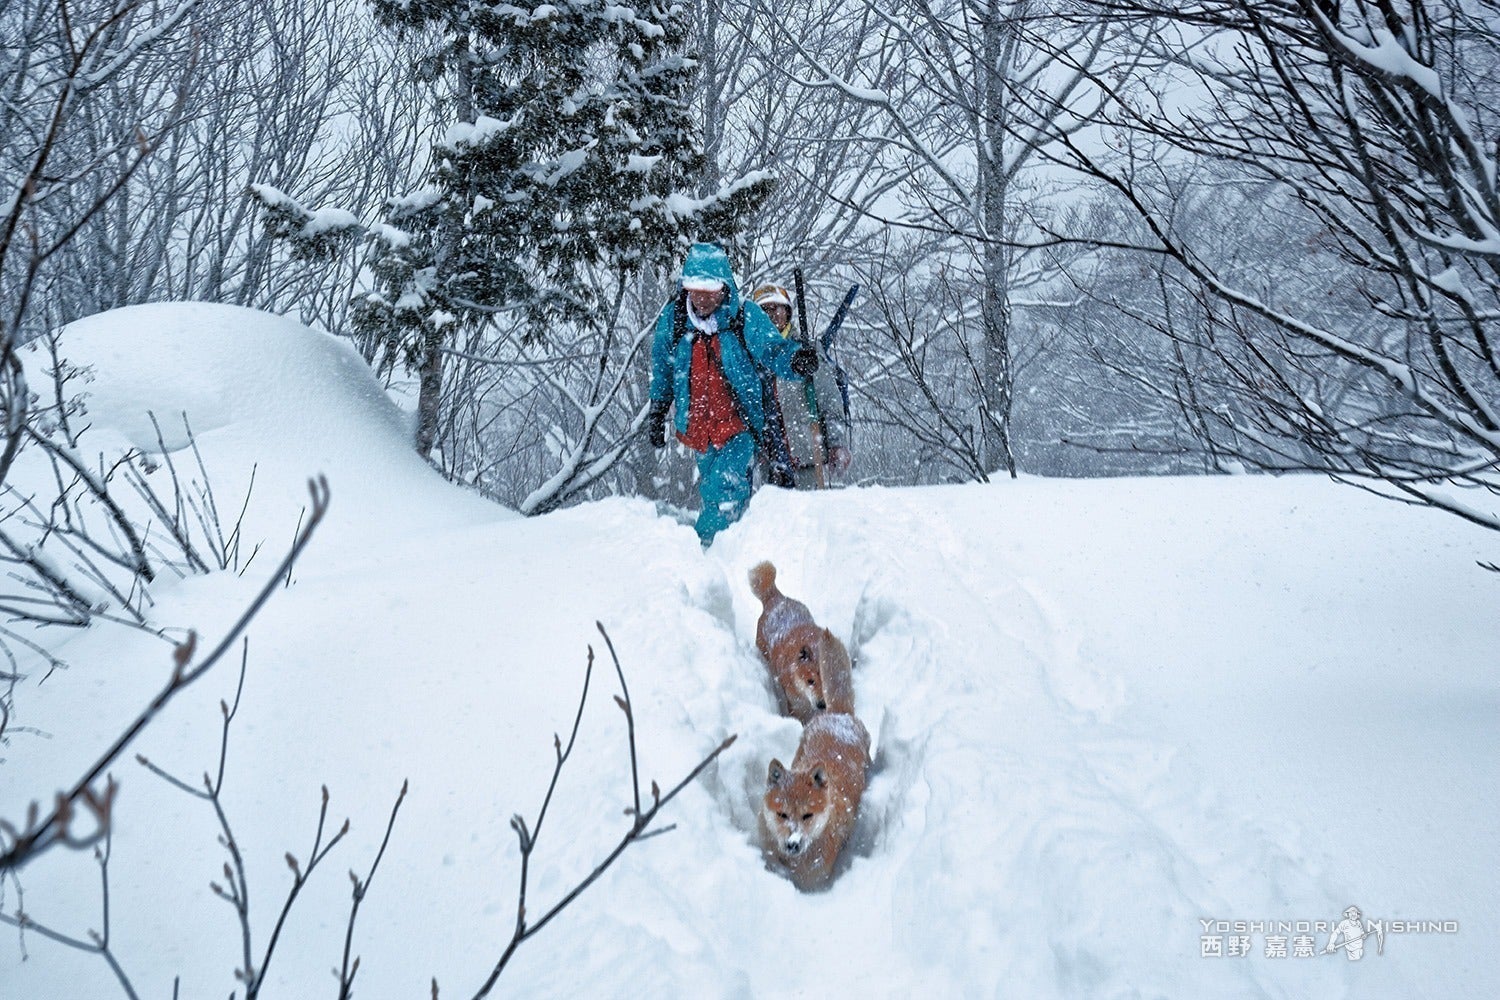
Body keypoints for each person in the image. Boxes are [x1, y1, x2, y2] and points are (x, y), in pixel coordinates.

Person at [646, 243, 818, 545]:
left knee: (725, 489)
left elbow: (772, 348)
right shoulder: (674, 321)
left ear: (724, 287)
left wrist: (794, 360)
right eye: (694, 289)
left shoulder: (744, 317)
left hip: (738, 422)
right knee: (713, 486)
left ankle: (707, 551)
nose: (701, 298)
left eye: (709, 290)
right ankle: (739, 549)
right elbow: (663, 366)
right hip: (699, 425)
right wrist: (658, 409)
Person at [749, 283, 852, 489]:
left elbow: (829, 400)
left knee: (810, 518)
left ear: (787, 312)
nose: (770, 315)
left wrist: (836, 443)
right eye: (764, 310)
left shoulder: (807, 352)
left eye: (775, 308)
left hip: (808, 459)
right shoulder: (751, 357)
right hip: (768, 465)